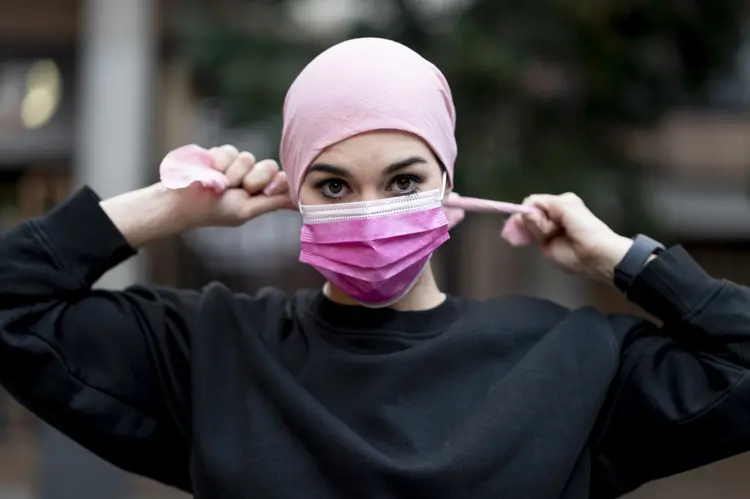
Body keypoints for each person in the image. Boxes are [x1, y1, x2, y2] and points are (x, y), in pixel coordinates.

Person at [1, 37, 749, 499]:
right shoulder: (211, 348)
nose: (368, 210)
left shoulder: (570, 358)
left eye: (401, 181)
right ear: (293, 193)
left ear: (450, 189)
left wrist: (626, 257)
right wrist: (174, 207)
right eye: (332, 185)